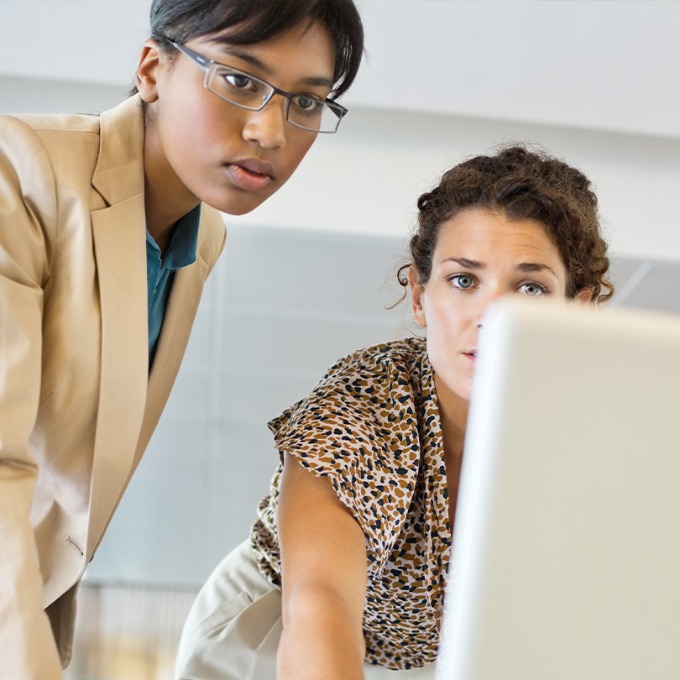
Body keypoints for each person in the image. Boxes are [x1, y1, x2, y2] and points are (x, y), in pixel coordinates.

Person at [0, 1, 364, 678]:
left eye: (307, 102)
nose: (269, 129)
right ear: (151, 68)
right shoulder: (18, 173)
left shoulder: (202, 241)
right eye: (239, 80)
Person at [174, 144, 614, 680]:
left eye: (530, 287)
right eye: (463, 280)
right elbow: (320, 606)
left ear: (580, 307)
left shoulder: (593, 427)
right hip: (271, 634)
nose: (492, 316)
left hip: (433, 657)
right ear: (419, 297)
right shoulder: (367, 404)